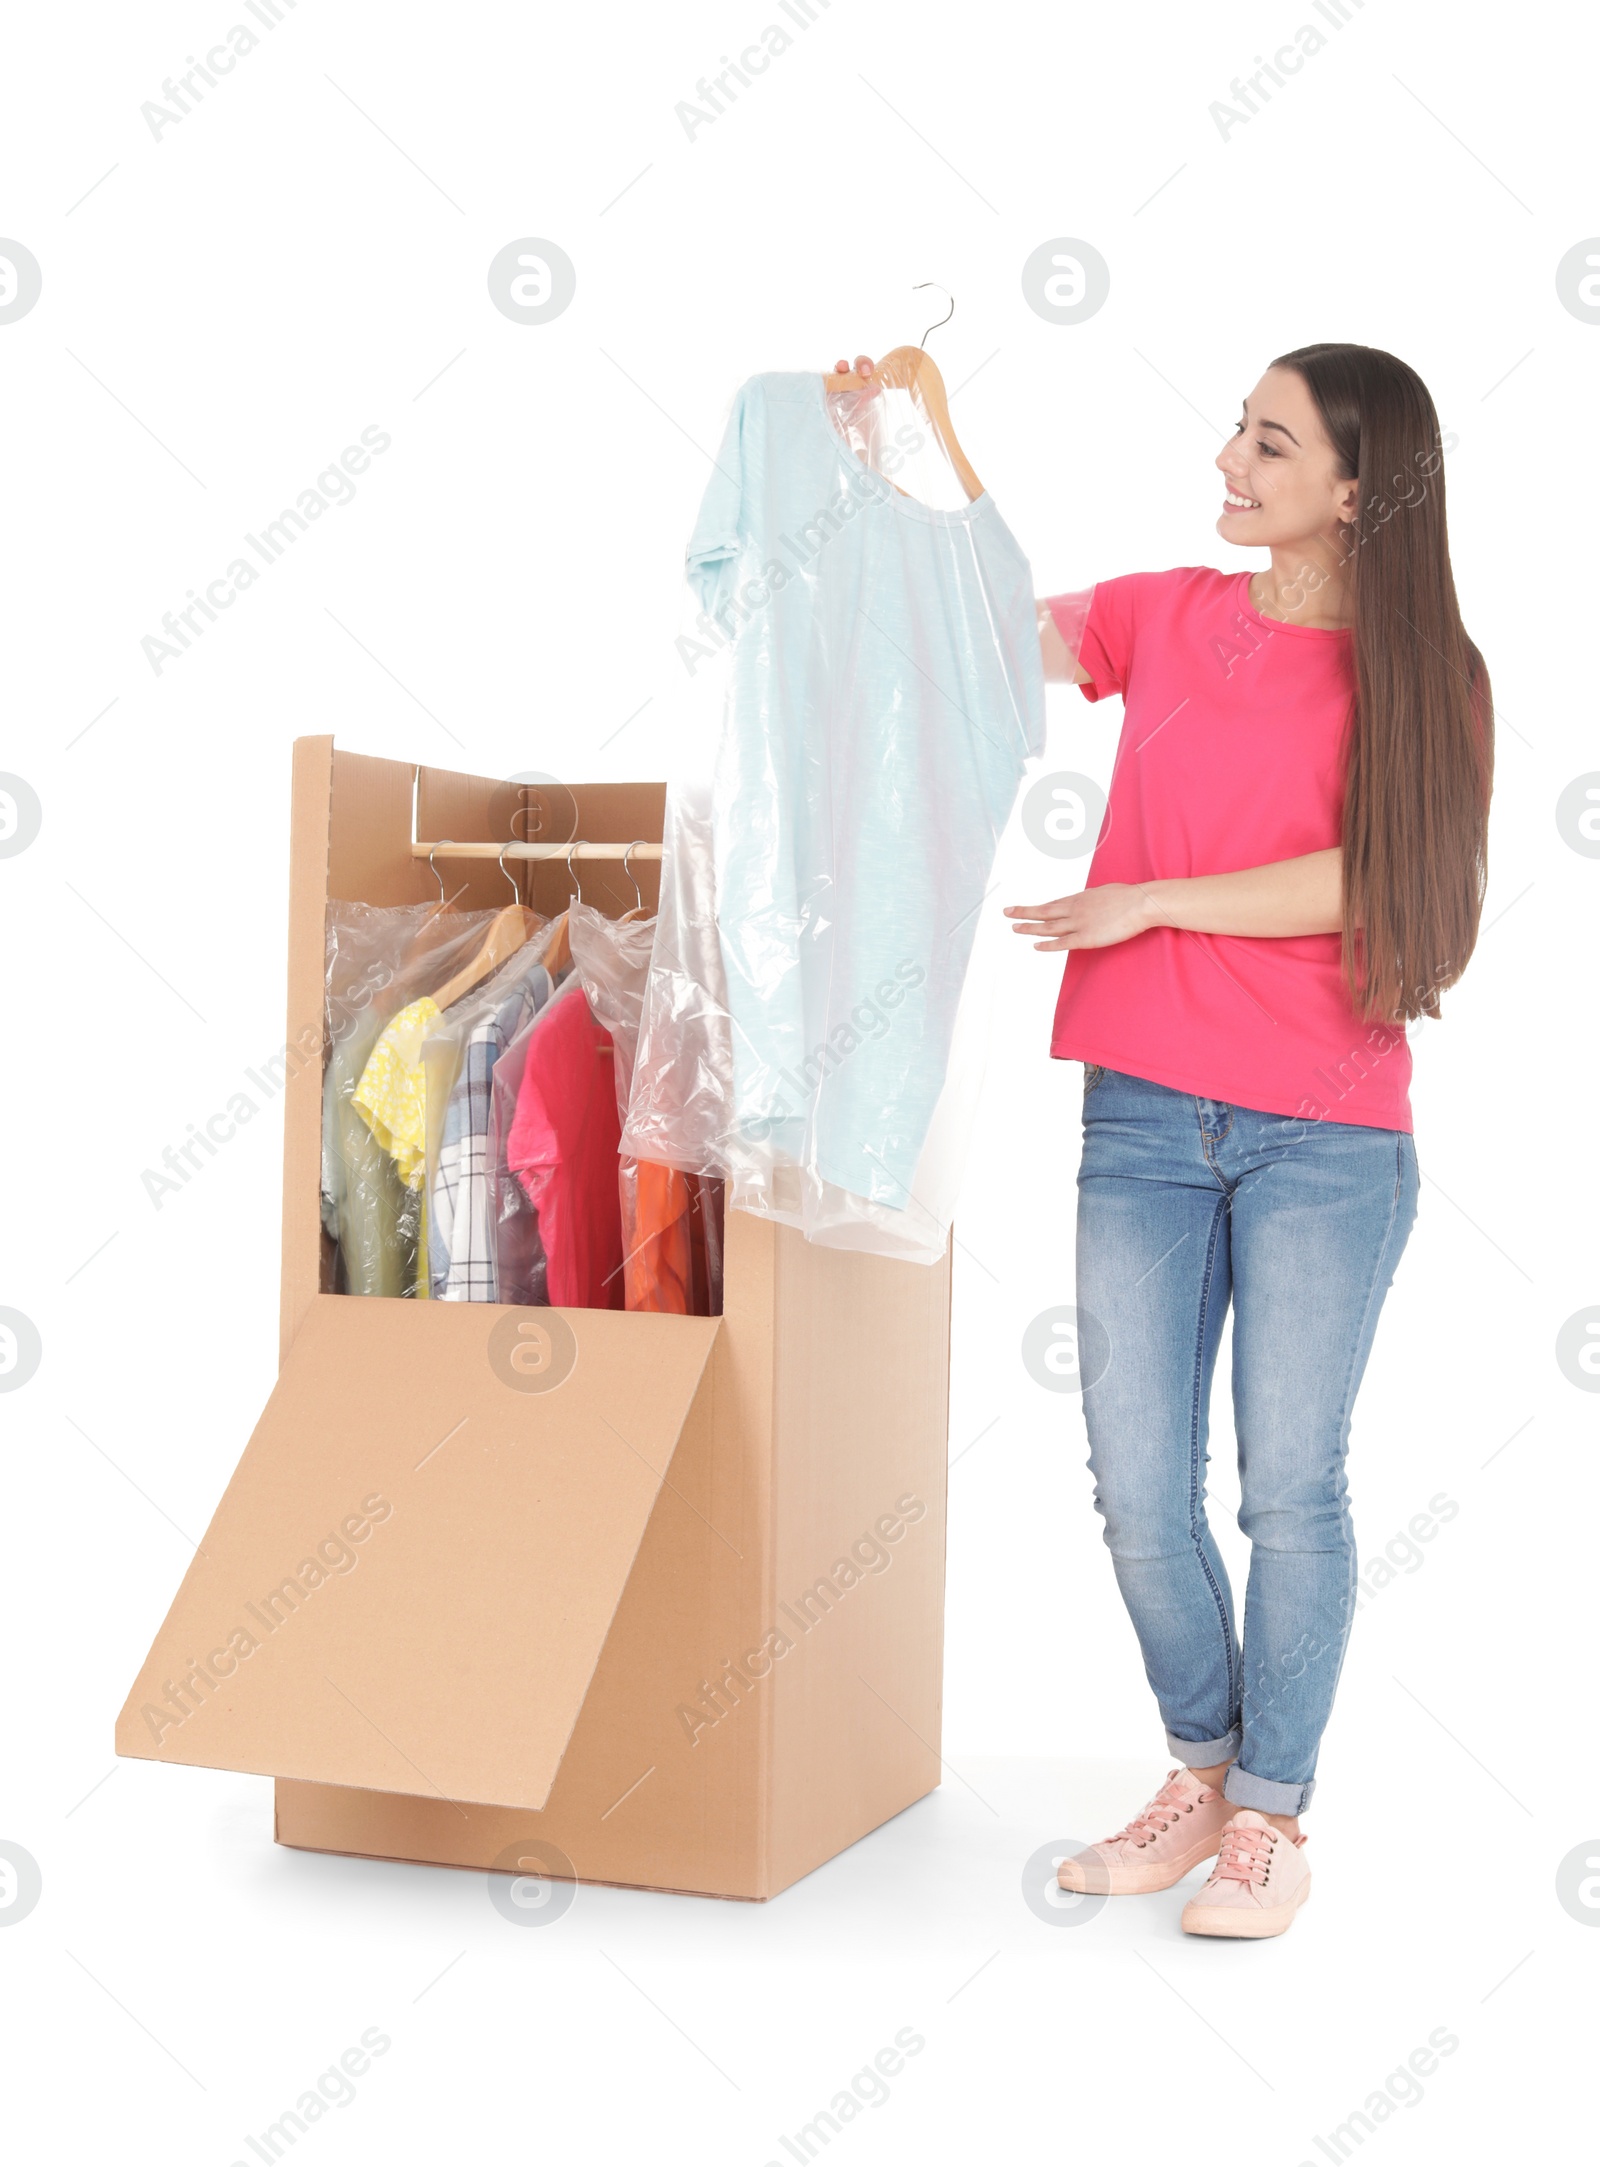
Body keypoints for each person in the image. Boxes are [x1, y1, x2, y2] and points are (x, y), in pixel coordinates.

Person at [834, 342, 1492, 1937]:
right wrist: (925, 453)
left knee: (1291, 1492)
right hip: (1139, 1110)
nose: (1230, 459)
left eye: (1269, 445)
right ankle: (1202, 1773)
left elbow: (1375, 885)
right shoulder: (1168, 612)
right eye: (1237, 430)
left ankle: (1273, 1817)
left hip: (1326, 1135)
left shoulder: (1431, 676)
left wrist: (1150, 900)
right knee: (1136, 1484)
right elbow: (989, 634)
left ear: (1355, 488)